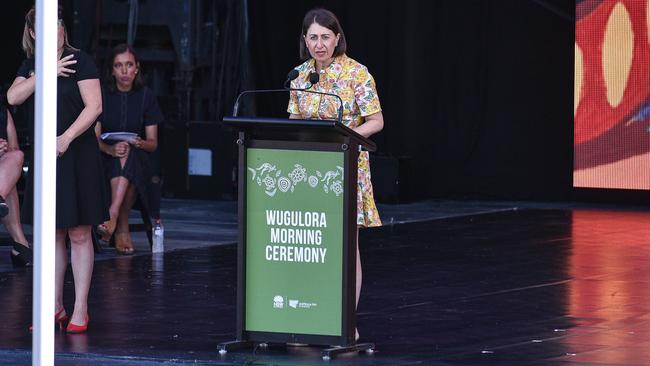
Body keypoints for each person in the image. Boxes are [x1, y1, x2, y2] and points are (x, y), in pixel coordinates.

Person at [7, 6, 107, 333]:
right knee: (52, 234)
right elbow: (13, 96)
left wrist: (66, 138)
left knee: (79, 232)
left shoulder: (81, 61)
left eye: (59, 24)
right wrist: (46, 72)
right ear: (34, 34)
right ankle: (53, 306)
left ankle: (80, 308)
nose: (56, 31)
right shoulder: (32, 66)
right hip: (47, 158)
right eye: (47, 27)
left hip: (76, 155)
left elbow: (95, 107)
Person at [288, 8, 384, 341]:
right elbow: (295, 123)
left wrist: (349, 133)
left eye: (325, 37)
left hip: (346, 167)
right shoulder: (299, 76)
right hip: (309, 171)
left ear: (337, 38)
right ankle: (310, 315)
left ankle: (345, 323)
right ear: (305, 40)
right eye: (313, 37)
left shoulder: (357, 73)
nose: (319, 44)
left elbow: (376, 120)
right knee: (314, 244)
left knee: (345, 246)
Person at [95, 43, 163, 255]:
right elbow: (93, 137)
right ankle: (119, 223)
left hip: (139, 158)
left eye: (129, 65)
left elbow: (153, 143)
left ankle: (113, 217)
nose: (124, 71)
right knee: (123, 156)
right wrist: (109, 150)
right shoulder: (102, 95)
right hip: (104, 157)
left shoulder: (146, 96)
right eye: (118, 66)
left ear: (137, 67)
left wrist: (138, 142)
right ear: (112, 70)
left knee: (129, 154)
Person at [0, 103, 32, 267]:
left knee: (15, 156)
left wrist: (3, 150)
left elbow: (14, 148)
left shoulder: (3, 112)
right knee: (7, 184)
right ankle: (19, 241)